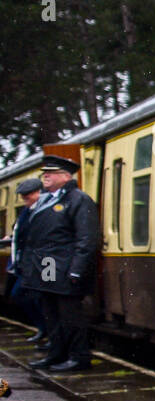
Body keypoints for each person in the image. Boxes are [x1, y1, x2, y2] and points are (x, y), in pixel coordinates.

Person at [24, 156, 99, 373]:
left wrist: (77, 269)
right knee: (52, 314)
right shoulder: (47, 199)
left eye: (52, 172)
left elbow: (86, 239)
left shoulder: (78, 199)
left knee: (70, 316)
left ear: (66, 176)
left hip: (65, 268)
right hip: (47, 268)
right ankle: (56, 354)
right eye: (45, 172)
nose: (45, 175)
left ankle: (78, 357)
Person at [5, 178, 48, 344]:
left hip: (41, 264)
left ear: (38, 193)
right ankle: (44, 329)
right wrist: (11, 237)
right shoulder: (27, 211)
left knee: (38, 298)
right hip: (25, 264)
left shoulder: (43, 210)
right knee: (20, 295)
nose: (24, 199)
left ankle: (49, 333)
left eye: (27, 196)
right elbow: (19, 230)